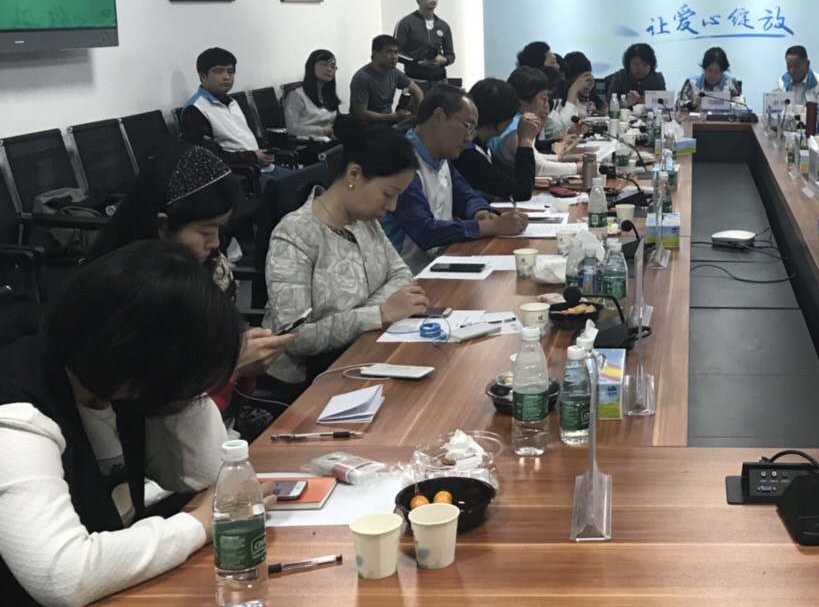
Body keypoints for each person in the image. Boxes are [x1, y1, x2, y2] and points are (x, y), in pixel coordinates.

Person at [0, 242, 244, 607]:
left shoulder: (109, 382)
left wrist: (181, 390)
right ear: (132, 352)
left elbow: (201, 474)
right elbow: (64, 575)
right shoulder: (15, 414)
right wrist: (199, 523)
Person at [87, 145, 292, 389]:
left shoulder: (210, 266)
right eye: (205, 231)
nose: (215, 243)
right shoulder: (124, 293)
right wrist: (231, 367)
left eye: (221, 228)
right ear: (163, 226)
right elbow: (151, 396)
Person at [262, 119, 429, 387]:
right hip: (311, 379)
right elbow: (293, 338)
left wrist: (376, 312)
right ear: (354, 175)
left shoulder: (364, 220)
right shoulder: (295, 234)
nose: (392, 206)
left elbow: (401, 275)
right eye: (388, 193)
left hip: (362, 354)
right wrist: (379, 314)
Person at [380, 85, 528, 270]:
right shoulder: (401, 161)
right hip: (407, 271)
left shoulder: (441, 157)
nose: (468, 137)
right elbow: (425, 230)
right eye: (467, 126)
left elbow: (464, 194)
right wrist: (491, 227)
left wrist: (480, 211)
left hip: (441, 261)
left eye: (472, 131)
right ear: (439, 116)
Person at [180, 47, 275, 169]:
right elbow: (209, 157)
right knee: (295, 179)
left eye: (230, 72)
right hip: (240, 175)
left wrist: (266, 150)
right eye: (219, 71)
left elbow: (244, 138)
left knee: (298, 177)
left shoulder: (232, 102)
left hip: (262, 167)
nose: (227, 77)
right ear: (203, 76)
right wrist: (253, 157)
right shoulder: (195, 109)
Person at [453, 77, 538, 203]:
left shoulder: (481, 146)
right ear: (502, 118)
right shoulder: (468, 154)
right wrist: (525, 140)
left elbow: (512, 177)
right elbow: (522, 191)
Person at [500, 66, 579, 180]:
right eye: (543, 99)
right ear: (523, 99)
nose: (546, 106)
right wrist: (578, 168)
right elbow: (539, 167)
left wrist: (560, 159)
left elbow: (534, 156)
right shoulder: (516, 128)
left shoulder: (518, 120)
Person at [351, 34, 424, 125]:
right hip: (365, 126)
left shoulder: (394, 72)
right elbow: (362, 114)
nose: (394, 56)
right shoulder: (362, 78)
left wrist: (419, 117)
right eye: (389, 52)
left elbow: (417, 91)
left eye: (396, 52)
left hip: (388, 122)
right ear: (375, 53)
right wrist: (393, 116)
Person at [393, 0, 456, 84]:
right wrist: (418, 62)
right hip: (414, 80)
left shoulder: (443, 26)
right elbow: (396, 52)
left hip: (440, 80)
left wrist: (443, 60)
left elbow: (451, 55)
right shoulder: (405, 23)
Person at [282, 49, 342, 139]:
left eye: (333, 66)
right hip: (307, 142)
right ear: (311, 66)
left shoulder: (327, 92)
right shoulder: (297, 94)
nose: (329, 69)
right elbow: (292, 128)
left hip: (328, 139)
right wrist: (322, 131)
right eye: (324, 64)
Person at [546, 51, 597, 137]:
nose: (557, 66)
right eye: (553, 62)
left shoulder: (560, 96)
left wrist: (584, 94)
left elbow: (578, 119)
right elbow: (568, 123)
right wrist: (573, 90)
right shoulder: (556, 93)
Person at [676, 47, 742, 111]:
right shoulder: (691, 82)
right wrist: (694, 104)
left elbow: (741, 106)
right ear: (704, 69)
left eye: (717, 72)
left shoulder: (730, 82)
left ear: (723, 71)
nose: (712, 75)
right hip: (697, 118)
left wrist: (726, 105)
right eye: (709, 71)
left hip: (724, 118)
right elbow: (680, 105)